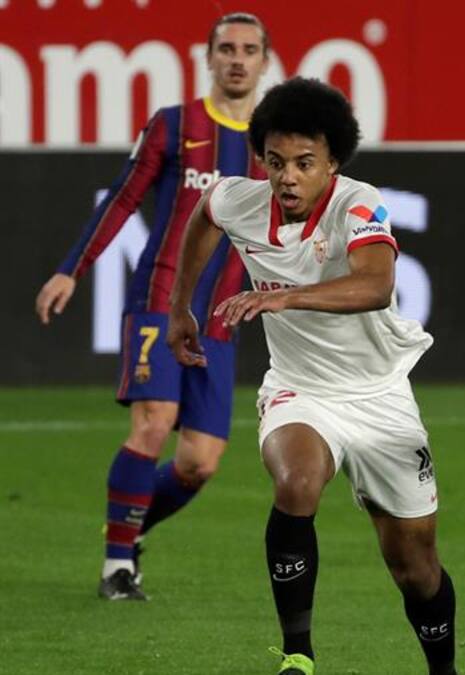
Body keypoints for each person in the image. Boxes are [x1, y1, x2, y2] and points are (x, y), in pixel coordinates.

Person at [167, 77, 455, 675]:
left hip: (380, 396)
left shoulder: (358, 203)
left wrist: (284, 297)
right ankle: (298, 655)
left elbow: (375, 285)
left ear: (332, 163)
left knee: (415, 567)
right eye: (275, 162)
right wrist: (180, 307)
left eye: (304, 163)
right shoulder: (242, 200)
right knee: (297, 482)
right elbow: (205, 213)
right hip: (300, 390)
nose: (287, 177)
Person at [33, 12, 271, 601]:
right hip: (160, 300)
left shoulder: (275, 146)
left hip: (218, 318)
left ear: (265, 62)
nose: (237, 59)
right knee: (154, 420)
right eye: (227, 49)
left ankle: (128, 529)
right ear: (208, 58)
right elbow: (121, 199)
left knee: (199, 463)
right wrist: (71, 269)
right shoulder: (174, 125)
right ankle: (117, 566)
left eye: (249, 50)